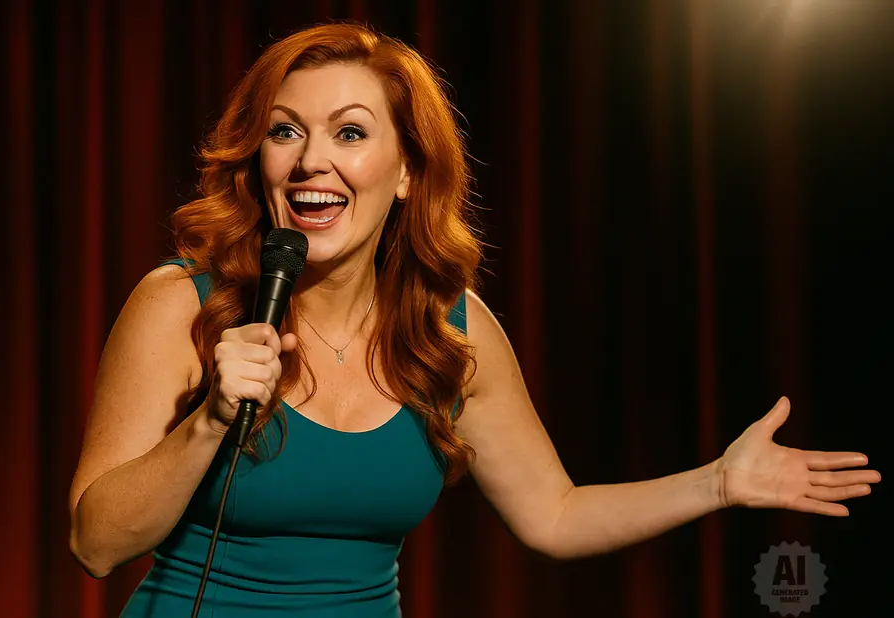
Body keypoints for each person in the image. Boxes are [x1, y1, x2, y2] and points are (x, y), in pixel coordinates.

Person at [67, 22, 881, 618]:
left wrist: (717, 485)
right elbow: (95, 545)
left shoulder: (448, 330)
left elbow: (554, 516)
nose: (312, 159)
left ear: (408, 173)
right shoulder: (182, 303)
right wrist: (209, 419)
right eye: (287, 132)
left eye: (350, 133)